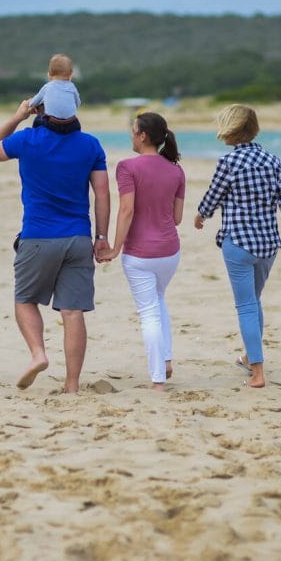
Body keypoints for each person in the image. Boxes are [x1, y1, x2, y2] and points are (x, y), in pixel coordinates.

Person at [0, 98, 110, 393]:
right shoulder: (90, 145)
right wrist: (101, 238)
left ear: (41, 112)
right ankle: (72, 385)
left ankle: (38, 353)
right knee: (73, 312)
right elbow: (102, 195)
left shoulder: (27, 140)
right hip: (78, 237)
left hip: (37, 237)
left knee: (25, 300)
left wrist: (17, 116)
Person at [194, 104, 281, 388]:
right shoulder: (272, 160)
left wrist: (200, 215)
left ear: (231, 130)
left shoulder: (228, 162)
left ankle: (258, 372)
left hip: (239, 244)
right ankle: (247, 356)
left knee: (245, 306)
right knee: (254, 302)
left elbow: (212, 197)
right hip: (268, 245)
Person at [98, 112, 185, 391]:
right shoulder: (176, 170)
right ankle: (167, 359)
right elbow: (177, 217)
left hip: (140, 254)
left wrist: (114, 248)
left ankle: (158, 378)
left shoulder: (127, 167)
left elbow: (126, 210)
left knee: (149, 312)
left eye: (133, 131)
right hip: (170, 252)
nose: (131, 135)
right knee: (158, 301)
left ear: (143, 136)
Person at [29, 54, 81, 121]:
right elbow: (77, 104)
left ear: (49, 75)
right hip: (70, 123)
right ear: (71, 75)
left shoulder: (47, 87)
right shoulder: (72, 87)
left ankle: (38, 130)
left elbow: (32, 103)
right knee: (76, 122)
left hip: (52, 123)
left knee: (38, 119)